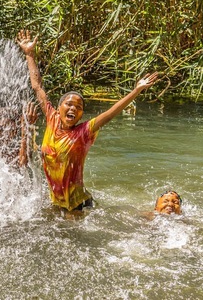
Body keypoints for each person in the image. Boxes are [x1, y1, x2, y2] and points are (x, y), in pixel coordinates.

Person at [17, 30, 158, 212]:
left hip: (78, 205)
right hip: (57, 202)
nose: (73, 109)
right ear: (58, 109)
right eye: (69, 104)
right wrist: (29, 54)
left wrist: (136, 90)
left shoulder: (83, 132)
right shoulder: (52, 118)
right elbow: (37, 87)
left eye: (78, 107)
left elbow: (110, 113)